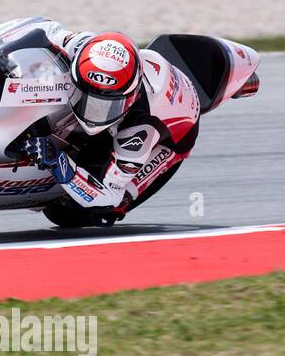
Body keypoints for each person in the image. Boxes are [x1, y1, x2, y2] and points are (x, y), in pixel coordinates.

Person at [15, 22, 202, 227]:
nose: (93, 112)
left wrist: (58, 162)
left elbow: (109, 195)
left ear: (129, 99)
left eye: (107, 106)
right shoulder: (80, 46)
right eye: (86, 98)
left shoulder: (139, 131)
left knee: (73, 212)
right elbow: (38, 28)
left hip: (172, 137)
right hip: (147, 78)